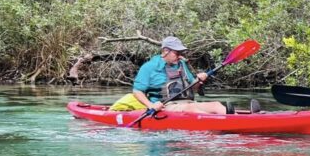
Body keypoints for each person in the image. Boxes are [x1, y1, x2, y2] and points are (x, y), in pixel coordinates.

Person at [109, 36, 256, 115]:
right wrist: (151, 105)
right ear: (165, 51)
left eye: (181, 53)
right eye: (177, 52)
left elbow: (194, 87)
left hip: (188, 104)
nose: (180, 56)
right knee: (190, 110)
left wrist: (199, 80)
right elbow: (137, 91)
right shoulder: (149, 67)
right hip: (167, 107)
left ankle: (236, 118)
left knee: (216, 105)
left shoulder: (182, 64)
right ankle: (224, 122)